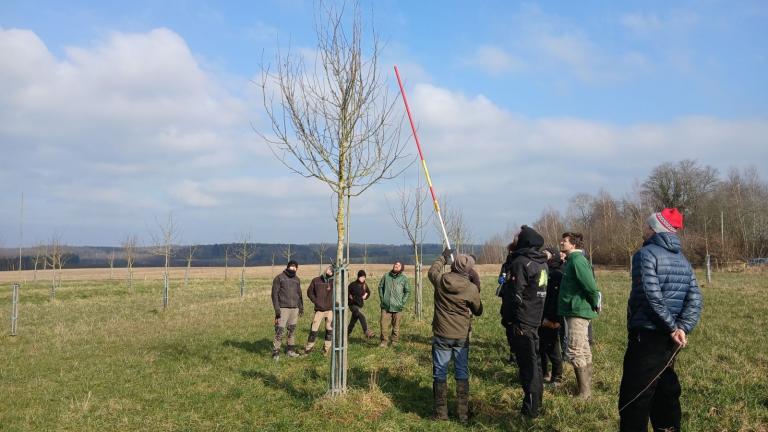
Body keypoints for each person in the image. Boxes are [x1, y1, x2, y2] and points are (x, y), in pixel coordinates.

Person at [619, 208, 702, 431]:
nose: (643, 230)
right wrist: (682, 328)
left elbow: (650, 295)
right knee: (665, 391)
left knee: (634, 397)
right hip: (671, 339)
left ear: (654, 228)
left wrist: (674, 327)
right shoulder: (683, 260)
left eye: (646, 226)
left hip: (648, 334)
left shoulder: (644, 255)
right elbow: (695, 298)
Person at [428, 248, 483, 422]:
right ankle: (463, 414)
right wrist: (476, 287)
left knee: (440, 372)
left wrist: (443, 258)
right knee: (461, 371)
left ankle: (440, 413)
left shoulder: (441, 280)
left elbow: (432, 271)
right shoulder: (471, 288)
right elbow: (478, 310)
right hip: (461, 335)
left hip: (442, 333)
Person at [500, 225, 549, 418]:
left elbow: (515, 295)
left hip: (522, 322)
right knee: (535, 365)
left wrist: (508, 318)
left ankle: (530, 411)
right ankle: (536, 404)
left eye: (518, 236)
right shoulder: (541, 263)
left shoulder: (521, 263)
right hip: (535, 319)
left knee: (528, 368)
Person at [558, 232, 600, 398]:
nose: (561, 242)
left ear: (573, 245)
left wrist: (596, 302)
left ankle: (584, 393)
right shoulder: (571, 261)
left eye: (565, 241)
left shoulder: (577, 261)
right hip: (574, 310)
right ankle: (586, 389)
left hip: (577, 311)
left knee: (575, 350)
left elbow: (590, 286)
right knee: (582, 348)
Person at [540, 247, 564, 386]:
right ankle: (545, 373)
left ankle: (557, 377)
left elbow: (556, 299)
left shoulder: (557, 274)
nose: (543, 255)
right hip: (541, 316)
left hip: (551, 318)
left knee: (553, 348)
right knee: (541, 348)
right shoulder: (544, 271)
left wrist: (554, 319)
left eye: (546, 253)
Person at [271, 260, 303, 360]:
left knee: (292, 330)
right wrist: (277, 309)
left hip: (294, 309)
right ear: (288, 267)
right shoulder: (279, 278)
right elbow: (274, 294)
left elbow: (299, 294)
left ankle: (290, 350)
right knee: (280, 330)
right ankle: (275, 352)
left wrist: (301, 307)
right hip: (282, 308)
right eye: (291, 266)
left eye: (295, 267)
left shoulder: (297, 279)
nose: (293, 268)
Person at [378, 261, 411, 347]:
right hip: (386, 306)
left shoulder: (403, 279)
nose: (396, 265)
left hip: (398, 306)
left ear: (401, 268)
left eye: (399, 265)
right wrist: (383, 299)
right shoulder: (386, 276)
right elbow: (380, 287)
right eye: (395, 264)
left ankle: (394, 341)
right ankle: (384, 342)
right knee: (383, 325)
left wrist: (402, 302)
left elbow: (407, 291)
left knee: (396, 326)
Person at [304, 265, 334, 355]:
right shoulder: (316, 280)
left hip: (330, 310)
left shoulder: (334, 282)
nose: (330, 271)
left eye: (332, 270)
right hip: (319, 310)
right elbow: (310, 292)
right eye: (329, 269)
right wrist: (316, 301)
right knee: (314, 330)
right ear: (326, 269)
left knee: (329, 331)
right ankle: (308, 349)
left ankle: (326, 350)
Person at [348, 270, 375, 339]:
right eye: (361, 277)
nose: (363, 278)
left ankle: (346, 334)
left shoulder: (365, 285)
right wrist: (351, 297)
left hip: (360, 305)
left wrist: (366, 295)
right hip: (352, 305)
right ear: (358, 277)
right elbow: (347, 293)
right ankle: (366, 331)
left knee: (353, 321)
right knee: (362, 316)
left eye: (364, 277)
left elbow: (368, 292)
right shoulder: (352, 285)